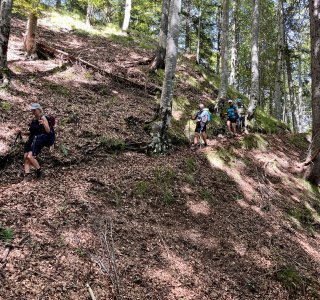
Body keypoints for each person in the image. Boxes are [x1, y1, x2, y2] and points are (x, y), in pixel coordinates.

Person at [21, 103, 51, 180]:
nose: (33, 111)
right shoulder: (34, 120)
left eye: (34, 110)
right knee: (25, 157)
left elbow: (48, 130)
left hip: (38, 139)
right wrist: (22, 133)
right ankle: (28, 175)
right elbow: (32, 133)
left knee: (29, 156)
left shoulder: (43, 118)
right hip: (31, 140)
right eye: (32, 110)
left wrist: (44, 123)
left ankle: (40, 171)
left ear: (39, 109)